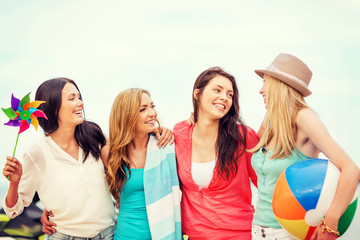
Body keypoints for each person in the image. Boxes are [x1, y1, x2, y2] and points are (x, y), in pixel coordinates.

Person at [249, 53, 360, 240]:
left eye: (265, 82)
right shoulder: (270, 119)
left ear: (279, 84)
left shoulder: (305, 118)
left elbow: (351, 170)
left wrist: (331, 223)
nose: (261, 90)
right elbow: (246, 142)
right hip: (258, 230)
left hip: (289, 234)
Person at [2, 78, 116, 239]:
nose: (80, 103)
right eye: (71, 98)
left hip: (108, 233)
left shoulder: (95, 136)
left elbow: (123, 163)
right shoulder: (37, 152)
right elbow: (13, 210)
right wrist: (14, 183)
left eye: (79, 97)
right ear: (53, 107)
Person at [173, 67, 259, 240]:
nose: (224, 98)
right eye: (217, 90)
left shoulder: (242, 136)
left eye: (229, 94)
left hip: (240, 234)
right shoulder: (179, 132)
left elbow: (265, 182)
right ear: (197, 94)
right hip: (192, 235)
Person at [103, 88, 182, 240]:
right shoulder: (109, 153)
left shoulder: (166, 146)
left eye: (152, 106)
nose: (152, 113)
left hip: (164, 234)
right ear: (125, 116)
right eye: (143, 109)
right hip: (124, 235)